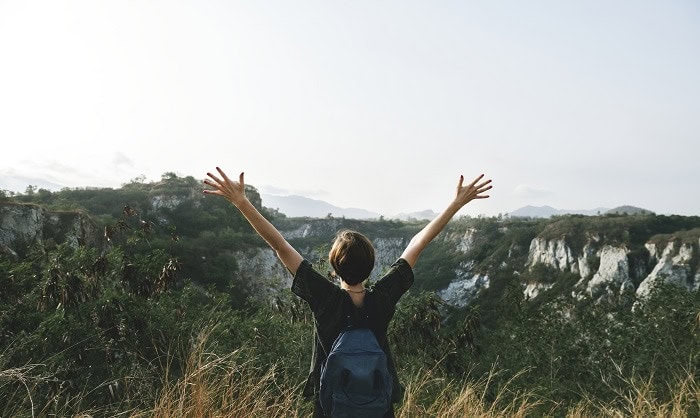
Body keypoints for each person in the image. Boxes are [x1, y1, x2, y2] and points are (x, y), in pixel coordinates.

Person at [203, 167, 492, 417]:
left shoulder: (325, 299)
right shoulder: (382, 298)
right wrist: (455, 204)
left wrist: (241, 202)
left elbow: (279, 245)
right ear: (371, 265)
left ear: (333, 266)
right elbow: (417, 244)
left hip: (331, 406)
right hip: (378, 405)